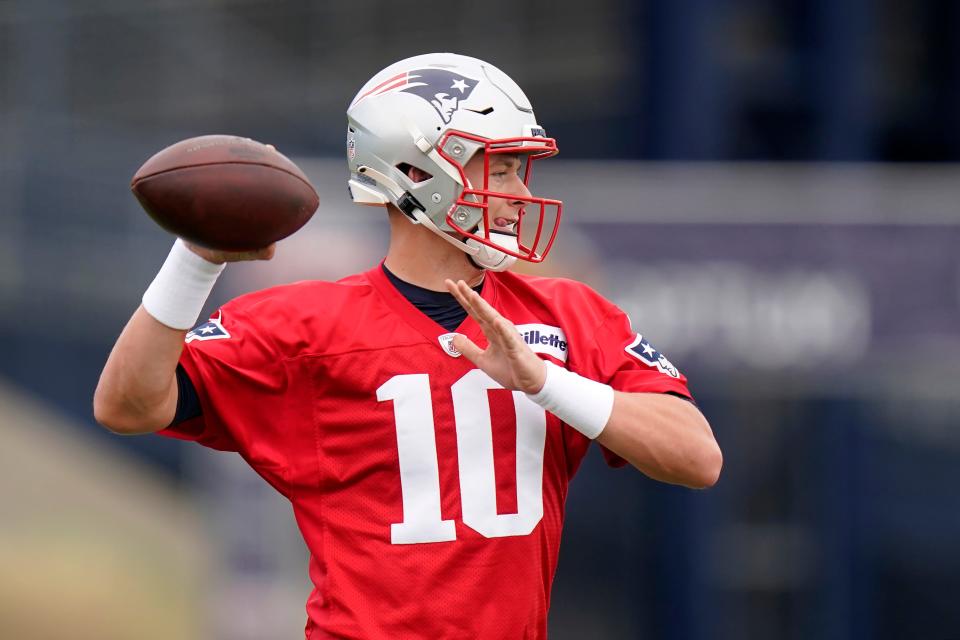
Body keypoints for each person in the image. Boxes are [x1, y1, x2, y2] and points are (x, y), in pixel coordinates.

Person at [94, 52, 722, 639]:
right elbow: (127, 405)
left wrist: (545, 383)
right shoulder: (302, 327)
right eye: (499, 168)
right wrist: (196, 260)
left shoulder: (569, 314)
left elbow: (697, 458)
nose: (521, 195)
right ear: (416, 172)